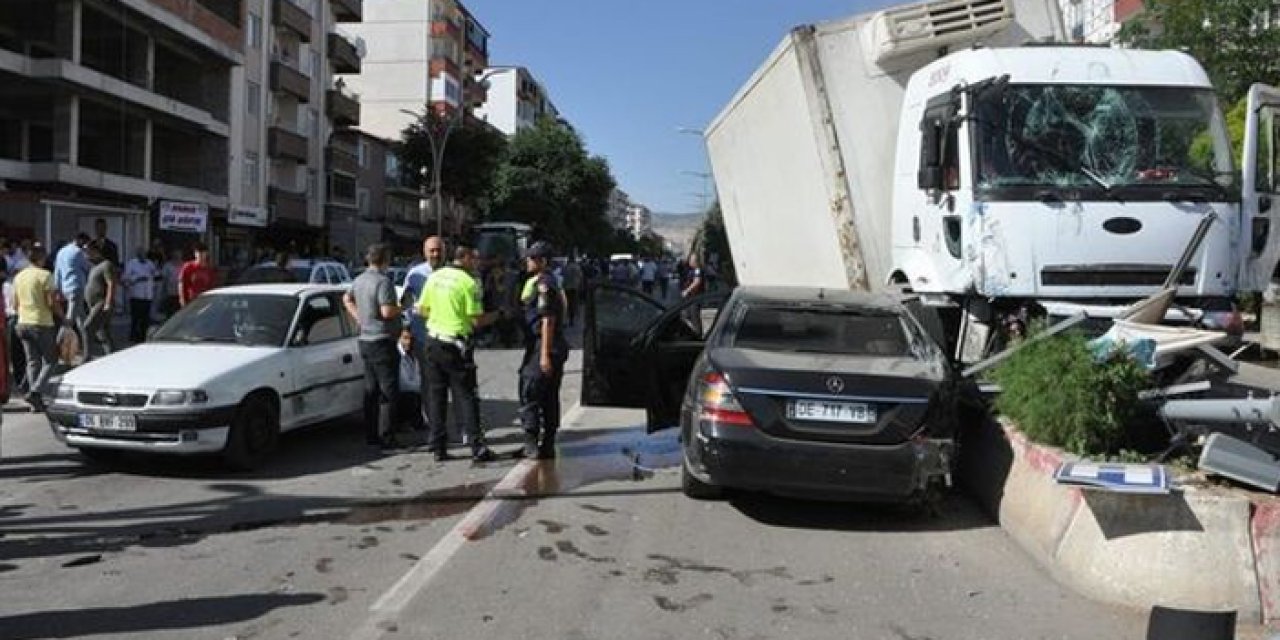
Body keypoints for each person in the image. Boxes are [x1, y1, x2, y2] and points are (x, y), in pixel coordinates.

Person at [418, 245, 501, 462]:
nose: (476, 263)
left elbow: (422, 309)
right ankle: (477, 446)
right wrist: (498, 315)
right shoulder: (468, 283)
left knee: (436, 396)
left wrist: (439, 317)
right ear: (463, 258)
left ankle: (438, 447)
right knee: (467, 396)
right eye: (473, 258)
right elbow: (476, 320)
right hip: (455, 346)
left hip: (433, 341)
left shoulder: (435, 277)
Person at [344, 244, 405, 451]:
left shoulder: (359, 279)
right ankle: (387, 436)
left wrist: (359, 317)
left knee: (371, 390)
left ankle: (371, 435)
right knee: (388, 391)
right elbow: (387, 311)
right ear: (385, 259)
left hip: (365, 340)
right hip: (382, 339)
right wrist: (404, 307)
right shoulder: (383, 281)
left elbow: (346, 298)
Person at [517, 241, 570, 460]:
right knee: (549, 395)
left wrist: (544, 355)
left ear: (543, 261)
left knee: (530, 391)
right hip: (550, 344)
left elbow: (548, 320)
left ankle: (532, 443)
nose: (527, 261)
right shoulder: (550, 281)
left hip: (544, 344)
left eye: (532, 258)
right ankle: (546, 443)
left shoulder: (544, 284)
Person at [401, 236, 446, 440]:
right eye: (431, 251)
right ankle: (434, 423)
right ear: (424, 251)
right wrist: (406, 330)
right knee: (428, 381)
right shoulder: (415, 274)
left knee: (447, 381)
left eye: (438, 250)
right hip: (423, 335)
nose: (435, 254)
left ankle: (442, 420)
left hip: (448, 336)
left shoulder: (452, 274)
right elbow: (406, 305)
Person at [13, 244, 62, 411]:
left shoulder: (19, 277)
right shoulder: (46, 275)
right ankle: (35, 391)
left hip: (22, 323)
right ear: (41, 258)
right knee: (51, 360)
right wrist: (63, 318)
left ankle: (35, 402)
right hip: (41, 323)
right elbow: (51, 302)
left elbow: (15, 304)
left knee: (32, 362)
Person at [52, 232, 91, 357]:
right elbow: (87, 268)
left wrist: (57, 289)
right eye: (85, 244)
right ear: (80, 241)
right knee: (69, 321)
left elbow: (57, 271)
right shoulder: (78, 253)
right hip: (76, 287)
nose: (85, 246)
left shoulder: (61, 252)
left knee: (82, 320)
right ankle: (56, 349)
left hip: (65, 288)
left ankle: (87, 350)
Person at [82, 241, 118, 360]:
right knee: (103, 333)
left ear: (95, 251)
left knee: (87, 327)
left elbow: (111, 284)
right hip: (92, 304)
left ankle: (87, 357)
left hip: (101, 302)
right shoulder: (93, 267)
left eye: (88, 252)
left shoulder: (106, 265)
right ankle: (112, 356)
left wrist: (108, 303)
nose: (86, 255)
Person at [122, 248, 157, 344]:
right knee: (136, 318)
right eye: (141, 254)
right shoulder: (131, 264)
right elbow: (125, 279)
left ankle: (143, 336)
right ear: (137, 254)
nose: (143, 255)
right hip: (136, 295)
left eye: (144, 254)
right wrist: (137, 279)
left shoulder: (150, 263)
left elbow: (156, 274)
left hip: (148, 295)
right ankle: (133, 337)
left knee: (145, 318)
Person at [3, 263, 27, 395]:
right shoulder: (12, 285)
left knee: (15, 355)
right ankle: (22, 384)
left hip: (12, 320)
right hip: (19, 319)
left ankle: (19, 383)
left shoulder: (9, 285)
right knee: (21, 356)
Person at [178, 242, 218, 306]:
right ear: (195, 254)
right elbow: (182, 284)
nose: (200, 255)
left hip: (205, 301)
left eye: (202, 253)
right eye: (198, 252)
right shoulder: (188, 267)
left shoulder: (209, 269)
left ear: (206, 254)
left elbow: (212, 286)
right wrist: (182, 300)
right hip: (191, 301)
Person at [159, 250, 183, 318]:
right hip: (169, 293)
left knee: (179, 312)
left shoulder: (184, 265)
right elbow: (164, 279)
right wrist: (163, 292)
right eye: (175, 255)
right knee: (169, 313)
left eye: (178, 255)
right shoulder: (167, 266)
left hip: (180, 293)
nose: (177, 257)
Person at [561, 257, 583, 328]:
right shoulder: (577, 267)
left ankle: (565, 320)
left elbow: (562, 276)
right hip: (575, 287)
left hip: (566, 287)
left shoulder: (565, 267)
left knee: (566, 304)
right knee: (573, 303)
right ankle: (572, 319)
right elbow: (580, 276)